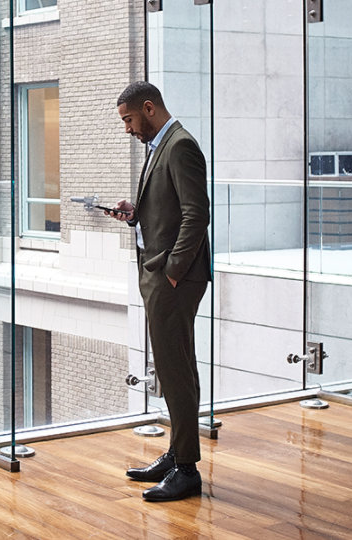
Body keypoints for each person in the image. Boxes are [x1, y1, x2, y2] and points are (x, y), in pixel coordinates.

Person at [107, 81, 212, 502]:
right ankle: (177, 453)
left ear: (148, 109)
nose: (128, 129)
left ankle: (186, 470)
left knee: (176, 370)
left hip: (174, 279)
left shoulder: (181, 146)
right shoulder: (161, 147)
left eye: (129, 120)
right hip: (162, 274)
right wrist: (137, 214)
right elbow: (169, 209)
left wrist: (171, 272)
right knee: (174, 368)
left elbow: (196, 214)